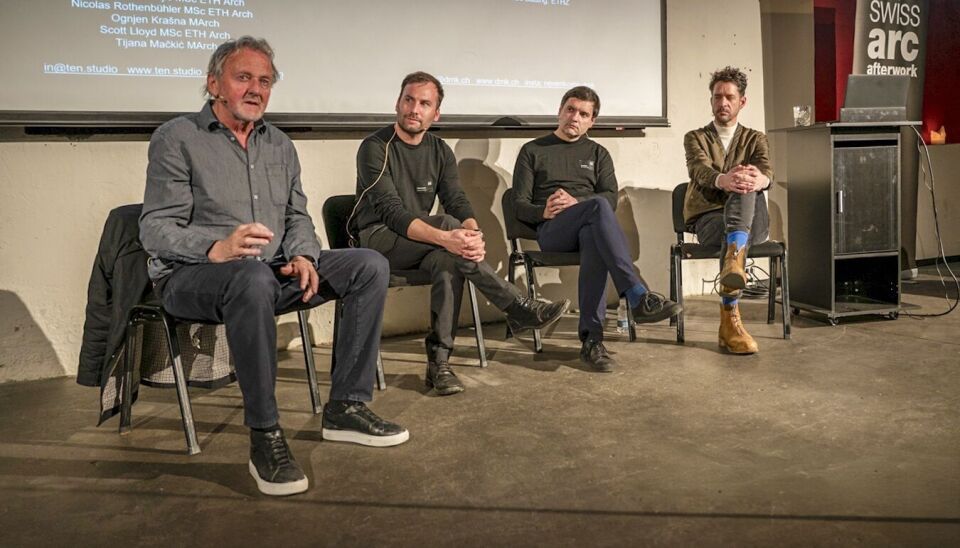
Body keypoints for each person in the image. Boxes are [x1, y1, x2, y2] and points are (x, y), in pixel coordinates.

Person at [140, 37, 408, 497]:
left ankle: (345, 406)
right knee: (248, 276)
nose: (256, 89)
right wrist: (216, 247)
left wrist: (303, 254)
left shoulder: (280, 144)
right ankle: (265, 436)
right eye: (243, 77)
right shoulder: (176, 138)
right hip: (192, 277)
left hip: (269, 273)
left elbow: (296, 215)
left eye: (264, 81)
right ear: (214, 84)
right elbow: (154, 228)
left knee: (368, 264)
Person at [352, 71, 569, 396]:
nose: (414, 108)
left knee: (449, 260)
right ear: (397, 103)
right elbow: (392, 214)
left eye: (424, 103)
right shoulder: (374, 148)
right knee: (448, 236)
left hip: (422, 243)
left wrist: (470, 232)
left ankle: (439, 365)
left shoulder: (440, 150)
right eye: (408, 100)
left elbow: (455, 199)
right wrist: (450, 235)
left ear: (435, 114)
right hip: (377, 241)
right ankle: (517, 306)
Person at [512, 86, 682, 372]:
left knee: (594, 232)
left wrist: (577, 202)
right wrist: (543, 210)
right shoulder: (533, 150)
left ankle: (592, 340)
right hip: (553, 231)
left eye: (583, 114)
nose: (574, 117)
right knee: (598, 208)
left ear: (592, 121)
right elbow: (518, 205)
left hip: (588, 229)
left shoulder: (598, 153)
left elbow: (611, 197)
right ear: (560, 110)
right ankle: (637, 294)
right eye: (570, 110)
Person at [683, 66, 773, 355]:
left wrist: (760, 179)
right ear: (711, 100)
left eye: (729, 97)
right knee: (739, 184)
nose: (723, 103)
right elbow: (699, 170)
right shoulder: (695, 137)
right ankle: (730, 314)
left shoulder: (755, 138)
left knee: (747, 182)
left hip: (754, 224)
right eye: (717, 96)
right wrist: (724, 179)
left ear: (741, 102)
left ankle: (734, 258)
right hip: (709, 221)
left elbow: (765, 169)